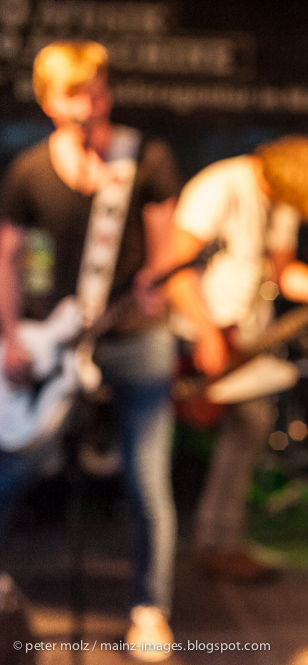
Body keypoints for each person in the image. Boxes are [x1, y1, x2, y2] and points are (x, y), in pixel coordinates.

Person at [0, 41, 181, 661]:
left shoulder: (144, 158)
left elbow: (166, 249)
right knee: (17, 464)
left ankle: (149, 609)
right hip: (54, 339)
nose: (91, 104)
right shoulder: (28, 171)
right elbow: (9, 256)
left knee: (146, 478)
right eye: (76, 93)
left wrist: (159, 288)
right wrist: (9, 337)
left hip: (131, 335)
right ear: (50, 102)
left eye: (98, 91)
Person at [166, 135, 308, 580]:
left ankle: (219, 542)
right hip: (190, 339)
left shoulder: (278, 204)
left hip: (242, 343)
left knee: (252, 423)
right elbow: (174, 268)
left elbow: (283, 276)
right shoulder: (221, 185)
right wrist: (205, 333)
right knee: (168, 440)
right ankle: (193, 548)